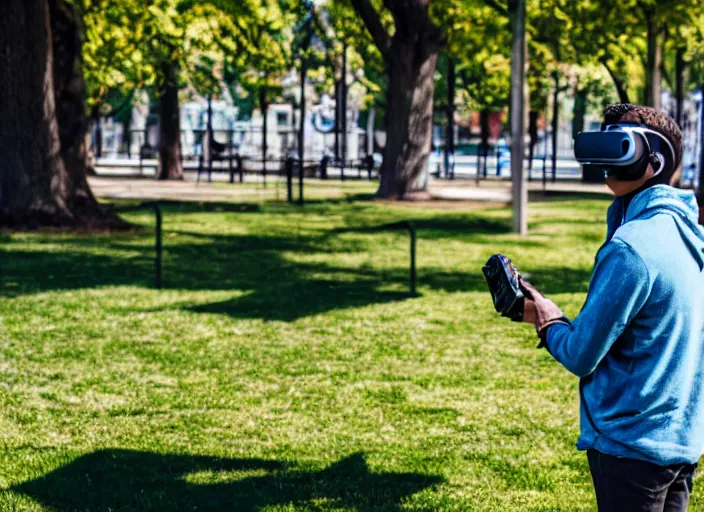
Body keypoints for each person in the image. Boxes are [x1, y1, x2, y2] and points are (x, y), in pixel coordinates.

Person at [523, 104, 704, 511]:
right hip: (682, 441)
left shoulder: (632, 248)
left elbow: (581, 353)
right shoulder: (691, 234)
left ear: (654, 159)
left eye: (618, 145)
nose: (606, 160)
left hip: (631, 447)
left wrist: (546, 318)